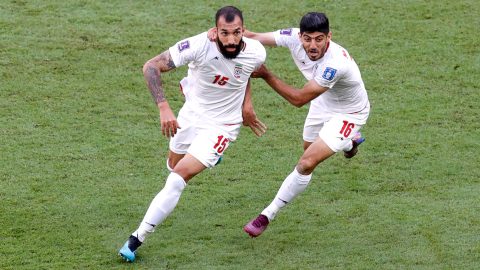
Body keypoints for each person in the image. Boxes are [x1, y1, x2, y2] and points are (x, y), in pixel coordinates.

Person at [118, 6, 267, 262]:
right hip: (190, 116)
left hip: (223, 126)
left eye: (236, 33)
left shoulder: (256, 51)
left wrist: (247, 106)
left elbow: (245, 73)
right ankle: (202, 153)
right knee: (172, 164)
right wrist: (164, 107)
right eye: (224, 33)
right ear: (215, 30)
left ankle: (136, 239)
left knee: (177, 179)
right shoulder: (198, 45)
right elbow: (151, 66)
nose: (231, 40)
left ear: (243, 30)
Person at [211, 12, 370, 237]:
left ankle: (267, 214)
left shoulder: (337, 64)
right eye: (307, 39)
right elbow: (252, 35)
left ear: (329, 37)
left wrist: (266, 75)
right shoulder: (292, 36)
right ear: (300, 36)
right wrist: (218, 35)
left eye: (319, 39)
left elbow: (299, 99)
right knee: (309, 148)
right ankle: (350, 142)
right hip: (322, 101)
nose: (312, 45)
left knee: (306, 163)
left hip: (349, 113)